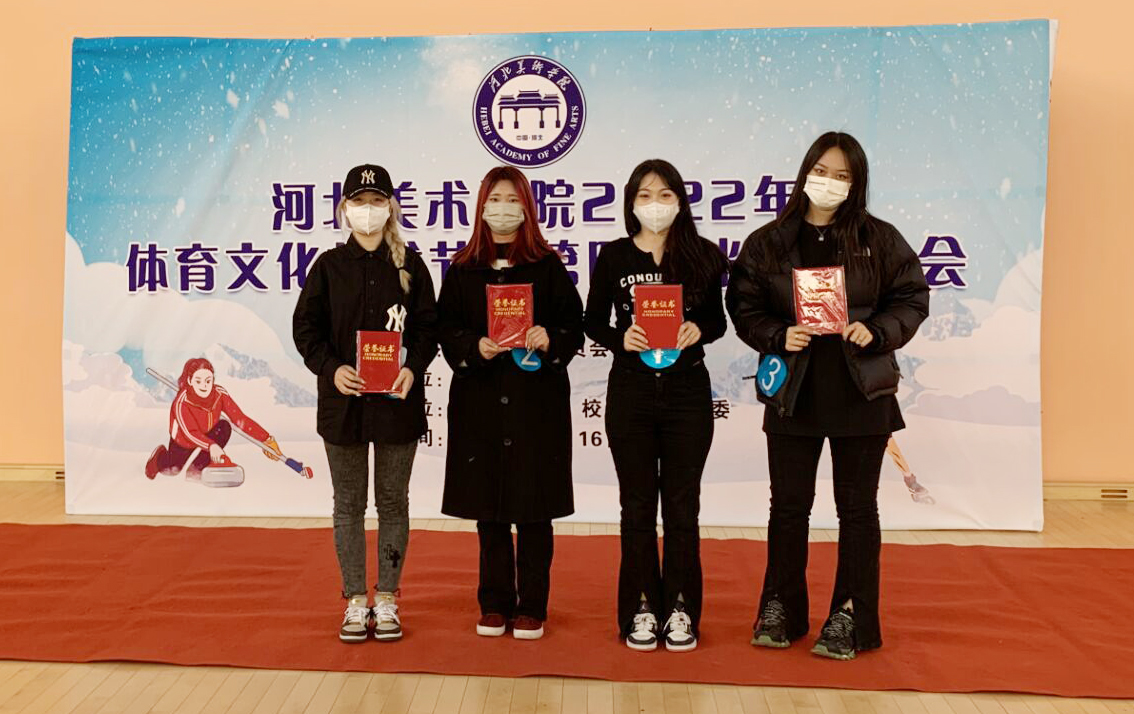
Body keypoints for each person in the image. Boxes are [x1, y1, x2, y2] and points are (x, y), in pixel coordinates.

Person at [726, 131, 929, 660]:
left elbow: (912, 297)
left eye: (842, 175)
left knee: (857, 510)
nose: (829, 182)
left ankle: (850, 614)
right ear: (804, 174)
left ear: (856, 183)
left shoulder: (879, 239)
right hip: (793, 392)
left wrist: (877, 331)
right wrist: (776, 334)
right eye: (821, 171)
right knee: (788, 507)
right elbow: (744, 305)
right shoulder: (769, 242)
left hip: (862, 393)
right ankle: (781, 607)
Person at [584, 159, 729, 653]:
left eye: (665, 195)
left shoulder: (702, 255)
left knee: (683, 507)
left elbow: (717, 322)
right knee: (638, 506)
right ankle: (641, 607)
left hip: (688, 392)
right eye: (645, 195)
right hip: (632, 393)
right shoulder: (614, 256)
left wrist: (697, 329)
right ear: (631, 202)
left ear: (681, 202)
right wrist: (620, 337)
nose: (655, 204)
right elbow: (592, 321)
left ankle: (682, 608)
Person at [292, 163, 438, 643]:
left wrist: (413, 368)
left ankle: (388, 598)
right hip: (344, 405)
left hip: (397, 402)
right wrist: (331, 368)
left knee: (393, 502)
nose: (368, 210)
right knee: (349, 504)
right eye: (359, 202)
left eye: (377, 202)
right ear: (344, 209)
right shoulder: (328, 267)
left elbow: (428, 329)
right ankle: (356, 600)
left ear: (391, 207)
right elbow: (305, 329)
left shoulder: (411, 266)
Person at [437, 166, 584, 641]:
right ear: (481, 207)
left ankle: (532, 606)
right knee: (490, 512)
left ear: (527, 208)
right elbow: (445, 328)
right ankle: (494, 602)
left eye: (512, 199)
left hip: (534, 405)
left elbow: (574, 325)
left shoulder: (547, 266)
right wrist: (471, 346)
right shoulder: (463, 269)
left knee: (534, 510)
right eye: (495, 199)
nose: (503, 208)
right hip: (480, 402)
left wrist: (549, 337)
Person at [144, 357, 279, 481]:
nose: (204, 385)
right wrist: (211, 446)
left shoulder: (219, 394)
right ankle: (158, 458)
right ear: (190, 381)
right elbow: (190, 432)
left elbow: (240, 418)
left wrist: (266, 439)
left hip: (207, 433)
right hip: (184, 440)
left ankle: (197, 469)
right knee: (173, 469)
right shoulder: (181, 403)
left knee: (224, 427)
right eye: (198, 381)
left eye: (208, 381)